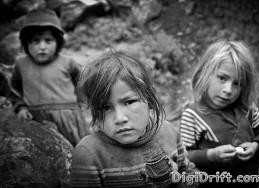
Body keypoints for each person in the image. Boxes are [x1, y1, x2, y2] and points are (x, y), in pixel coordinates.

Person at [70, 50, 199, 188]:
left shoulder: (168, 131)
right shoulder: (88, 154)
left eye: (129, 102)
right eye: (105, 107)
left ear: (149, 99)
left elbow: (186, 169)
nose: (120, 118)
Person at [179, 40, 259, 188]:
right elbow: (184, 156)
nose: (228, 90)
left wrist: (255, 146)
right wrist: (211, 155)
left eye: (237, 83)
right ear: (205, 73)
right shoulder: (192, 115)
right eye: (222, 78)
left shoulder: (247, 109)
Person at [10, 8, 89, 146]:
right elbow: (14, 90)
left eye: (48, 40)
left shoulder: (67, 62)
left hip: (68, 120)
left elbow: (82, 82)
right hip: (36, 120)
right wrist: (21, 107)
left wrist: (81, 103)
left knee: (79, 152)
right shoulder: (21, 64)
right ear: (26, 43)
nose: (42, 47)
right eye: (35, 41)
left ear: (58, 42)